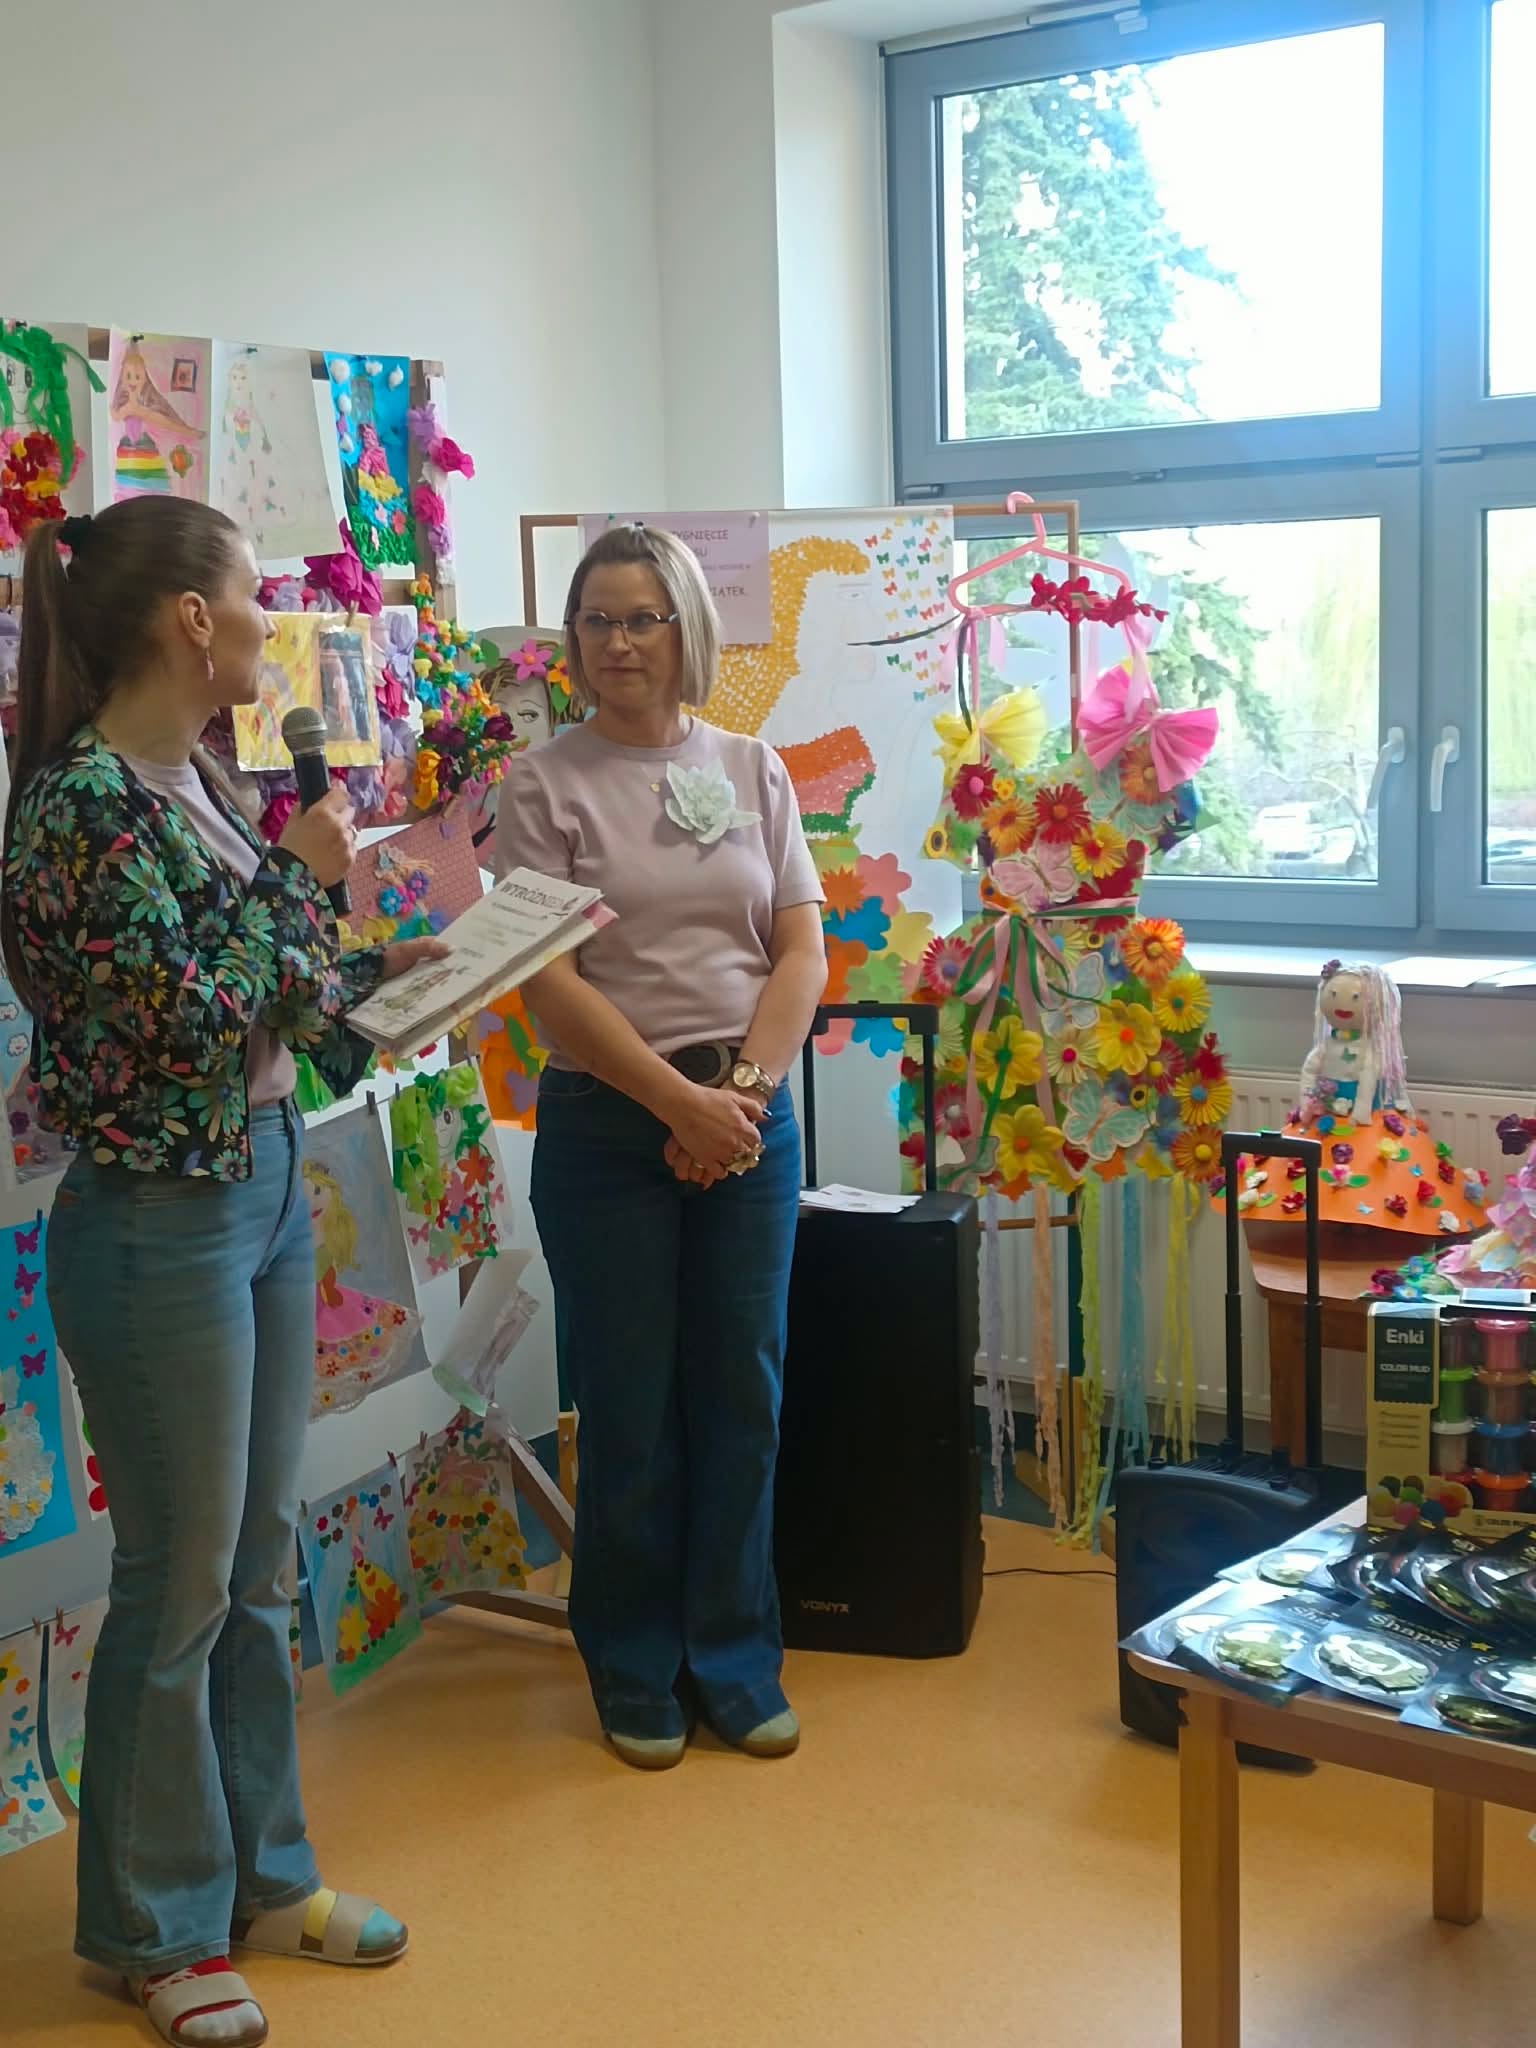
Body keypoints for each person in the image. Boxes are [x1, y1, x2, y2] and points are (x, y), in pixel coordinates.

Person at [1, 499, 447, 2048]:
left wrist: (398, 981)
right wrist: (294, 886)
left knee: (258, 1567)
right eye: (256, 595)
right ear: (193, 619)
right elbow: (182, 1016)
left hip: (259, 1184)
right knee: (179, 1584)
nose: (271, 624)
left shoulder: (200, 780)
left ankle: (268, 1881)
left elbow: (273, 1000)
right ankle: (157, 1929)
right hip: (155, 1221)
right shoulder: (76, 808)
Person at [496, 524, 828, 1772]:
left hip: (747, 1111)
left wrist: (736, 1094)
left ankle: (735, 1658)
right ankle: (634, 1664)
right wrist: (676, 1105)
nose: (619, 642)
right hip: (610, 1121)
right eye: (597, 619)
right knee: (629, 1407)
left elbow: (801, 950)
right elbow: (550, 982)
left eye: (643, 617)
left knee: (743, 1395)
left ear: (688, 627)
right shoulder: (544, 784)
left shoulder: (754, 766)